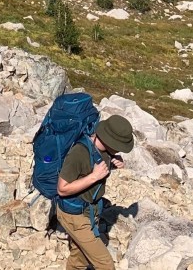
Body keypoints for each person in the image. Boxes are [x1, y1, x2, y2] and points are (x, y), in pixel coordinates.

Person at [55, 114, 134, 270]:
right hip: (74, 214)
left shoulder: (105, 151)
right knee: (106, 264)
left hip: (89, 211)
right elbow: (62, 189)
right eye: (118, 146)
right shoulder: (78, 152)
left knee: (80, 259)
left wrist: (114, 161)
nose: (120, 150)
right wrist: (94, 176)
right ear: (109, 140)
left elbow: (95, 166)